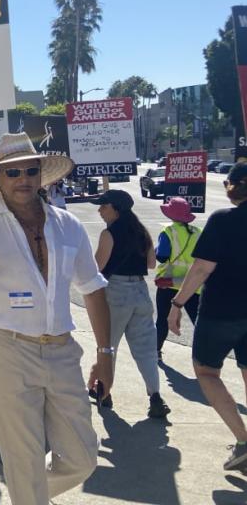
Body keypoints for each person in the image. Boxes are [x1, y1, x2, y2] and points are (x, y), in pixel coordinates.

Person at [0, 133, 113, 505]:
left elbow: (92, 288)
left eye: (29, 170)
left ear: (41, 175)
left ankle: (27, 496)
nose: (22, 178)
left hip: (62, 352)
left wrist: (105, 354)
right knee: (23, 464)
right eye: (12, 173)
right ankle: (28, 495)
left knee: (83, 459)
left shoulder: (68, 224)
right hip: (8, 352)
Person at [169, 161, 247, 472]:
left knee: (207, 373)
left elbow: (202, 267)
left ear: (231, 186)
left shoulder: (223, 219)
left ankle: (243, 441)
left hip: (221, 312)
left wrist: (176, 305)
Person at [92, 189, 170, 418]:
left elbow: (97, 268)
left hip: (115, 291)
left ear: (115, 208)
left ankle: (104, 392)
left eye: (103, 205)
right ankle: (155, 396)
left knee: (108, 346)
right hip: (140, 290)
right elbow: (152, 264)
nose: (99, 210)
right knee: (146, 349)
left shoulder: (109, 234)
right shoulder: (141, 231)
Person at [154, 197, 201, 360]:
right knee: (198, 321)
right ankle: (201, 355)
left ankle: (156, 351)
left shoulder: (168, 231)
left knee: (162, 319)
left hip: (169, 282)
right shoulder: (197, 231)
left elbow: (161, 256)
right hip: (193, 284)